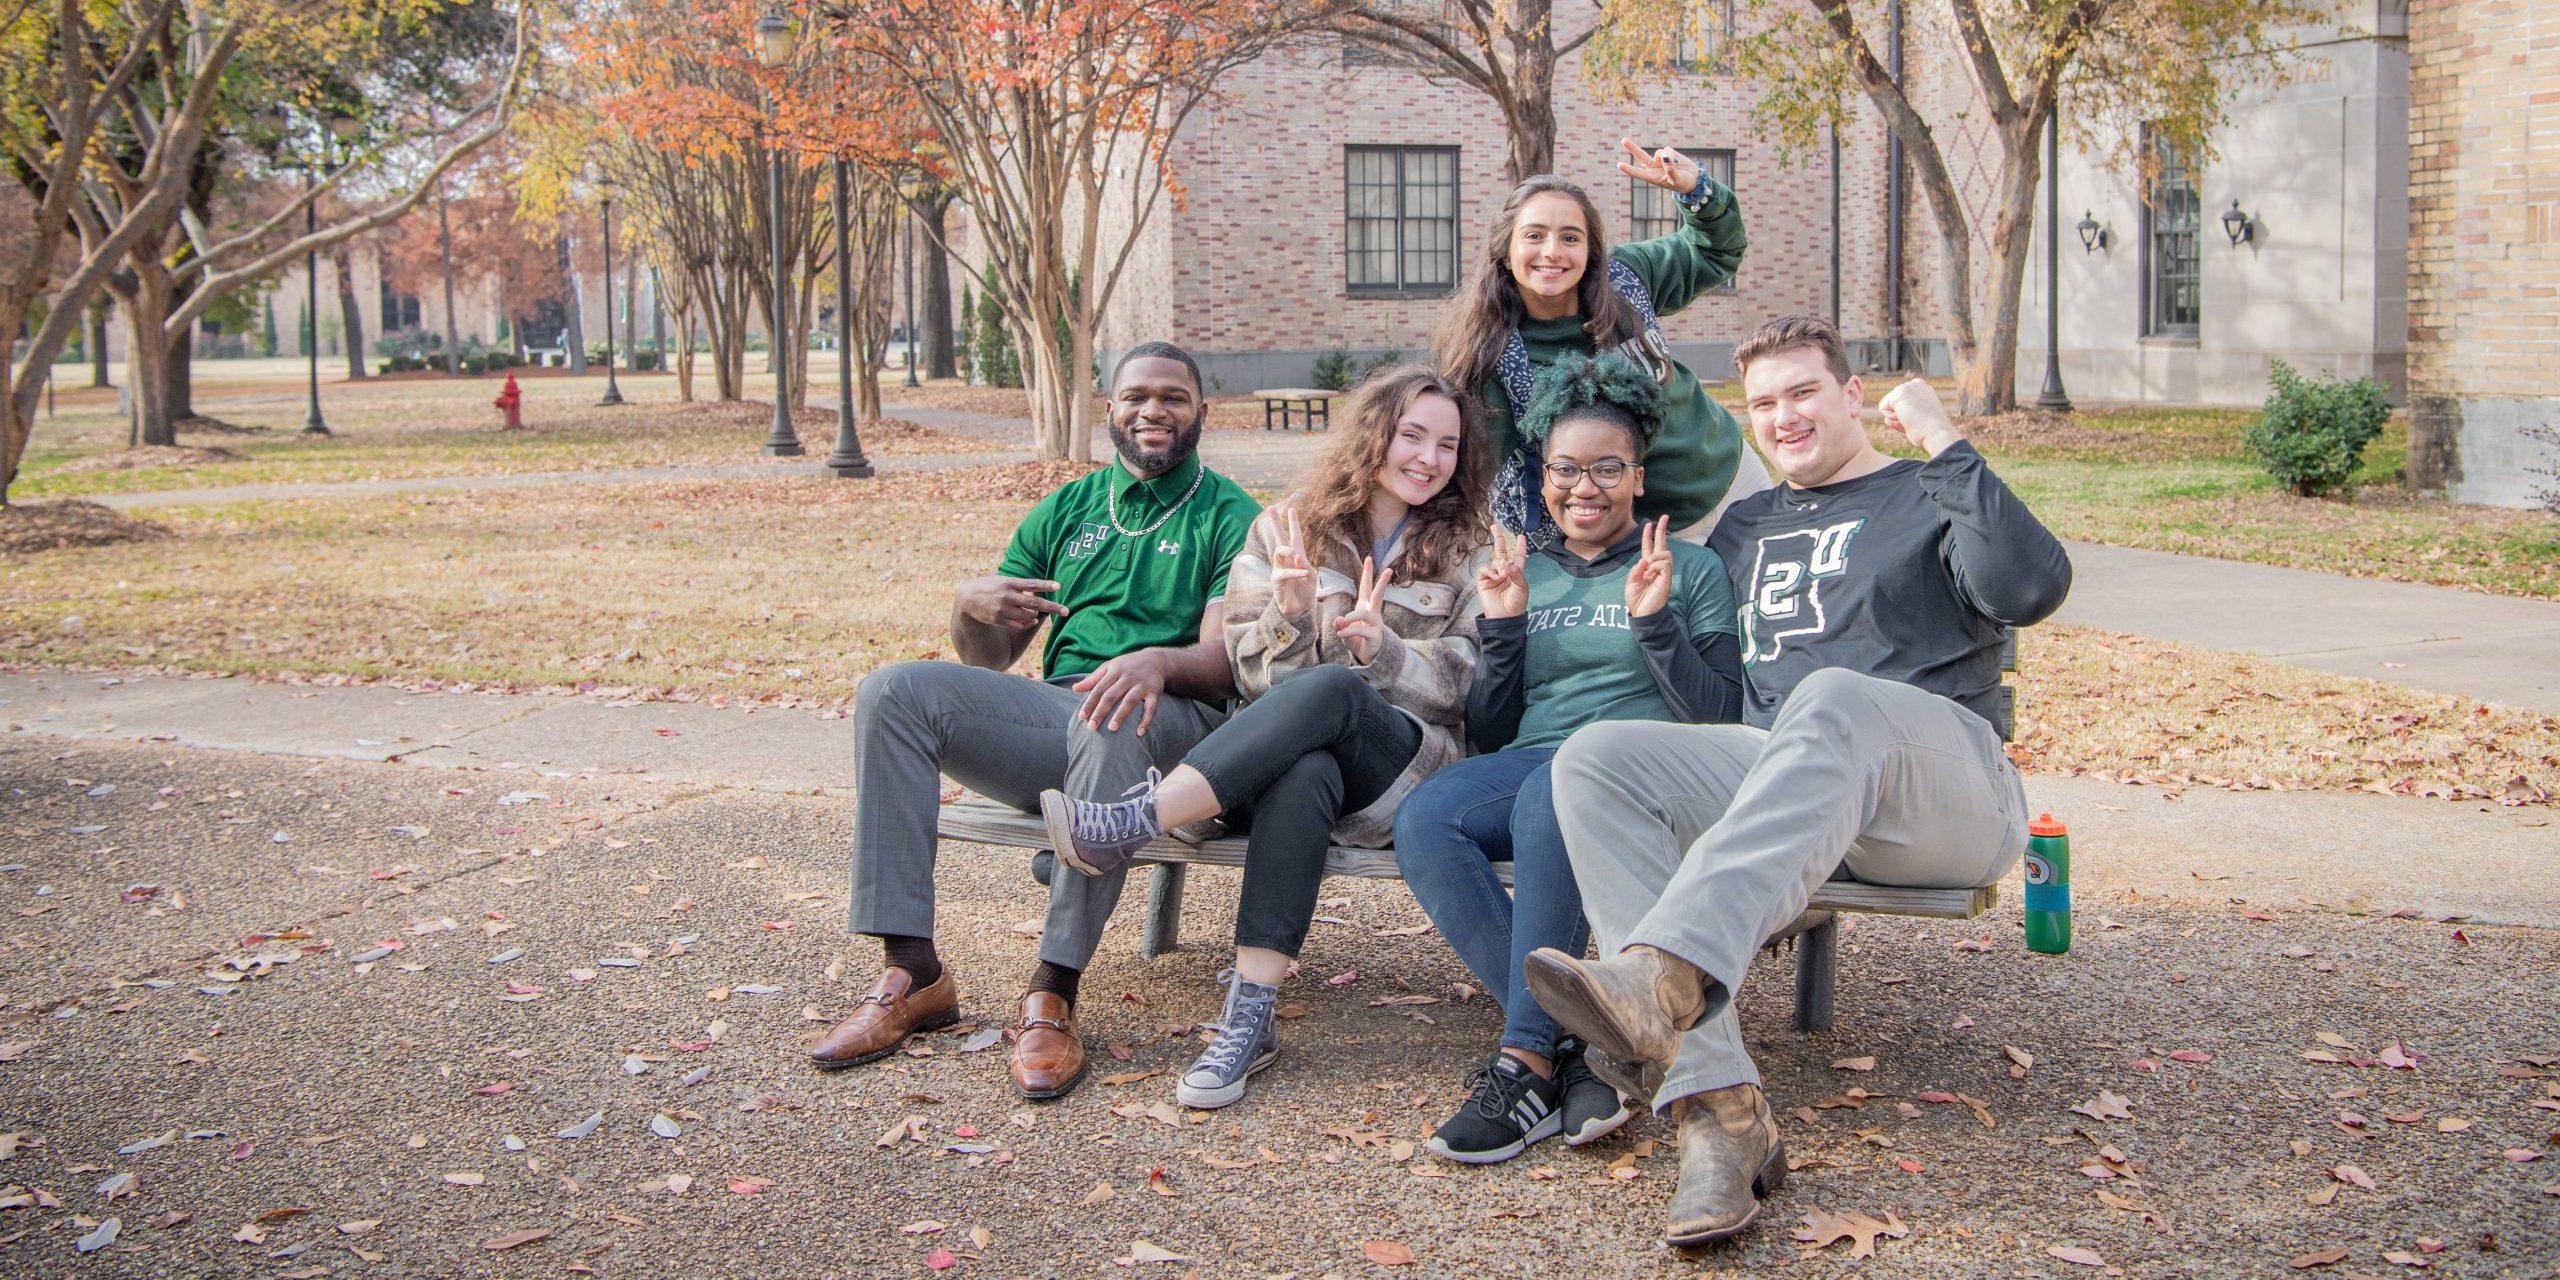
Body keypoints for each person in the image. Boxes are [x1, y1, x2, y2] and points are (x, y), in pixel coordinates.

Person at [1521, 314, 2074, 1247]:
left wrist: (1942, 439)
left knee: (1831, 696)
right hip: (1794, 789)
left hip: (1940, 788)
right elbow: (1719, 706)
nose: (1783, 417)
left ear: (1852, 395)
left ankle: (1661, 976)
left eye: (1803, 392)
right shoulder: (1746, 527)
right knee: (1595, 759)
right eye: (1764, 403)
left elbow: (2029, 588)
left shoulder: (1923, 491)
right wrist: (1656, 629)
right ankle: (1720, 1114)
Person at [810, 341, 1261, 1102]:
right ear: (1110, 410)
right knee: (894, 693)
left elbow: (1227, 660)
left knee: (1111, 711)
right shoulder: (1069, 509)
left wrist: (1154, 661)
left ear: (1201, 415)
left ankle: (1053, 990)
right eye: (1136, 397)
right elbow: (988, 658)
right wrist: (969, 610)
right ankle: (913, 971)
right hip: (1059, 716)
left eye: (1174, 398)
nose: (1154, 410)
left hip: (1176, 730)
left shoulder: (1231, 514)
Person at [1037, 365, 1494, 1109]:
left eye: (1447, 444)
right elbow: (1255, 687)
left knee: (1342, 688)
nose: (1428, 458)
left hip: (1406, 774)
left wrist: (1383, 652)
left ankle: (1137, 821)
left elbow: (1471, 680)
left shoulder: (1472, 545)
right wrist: (1289, 618)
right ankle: (1250, 1017)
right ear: (1374, 433)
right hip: (1296, 780)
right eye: (1412, 435)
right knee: (1305, 763)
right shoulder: (1288, 529)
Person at [1392, 351, 1742, 1165]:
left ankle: (1523, 1061)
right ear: (1542, 476)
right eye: (1564, 469)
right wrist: (1505, 628)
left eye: (1606, 469)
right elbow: (1492, 725)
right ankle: (1582, 1044)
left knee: (1564, 782)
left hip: (1638, 777)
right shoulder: (1525, 572)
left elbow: (1721, 712)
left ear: (1639, 476)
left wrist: (1656, 625)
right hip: (1536, 764)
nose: (1584, 487)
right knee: (1428, 815)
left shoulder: (1688, 569)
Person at [1436, 140, 1773, 549]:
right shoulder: (1492, 353)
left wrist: (1696, 190)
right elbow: (1482, 470)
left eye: (1570, 238)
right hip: (1645, 536)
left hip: (1733, 475)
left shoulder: (1624, 279)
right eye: (1534, 236)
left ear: (1591, 249)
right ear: (1506, 249)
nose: (1552, 252)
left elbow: (1716, 250)